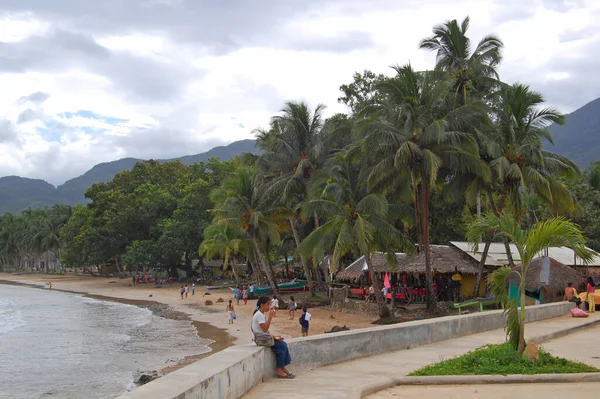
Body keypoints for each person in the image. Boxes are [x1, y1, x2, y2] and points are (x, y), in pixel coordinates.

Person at [252, 296, 294, 378]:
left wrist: (274, 337)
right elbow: (264, 329)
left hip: (263, 338)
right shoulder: (259, 315)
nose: (269, 307)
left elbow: (264, 330)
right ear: (262, 305)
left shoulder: (260, 314)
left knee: (283, 344)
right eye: (268, 304)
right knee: (281, 347)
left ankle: (282, 367)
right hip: (261, 339)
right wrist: (270, 317)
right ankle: (279, 369)